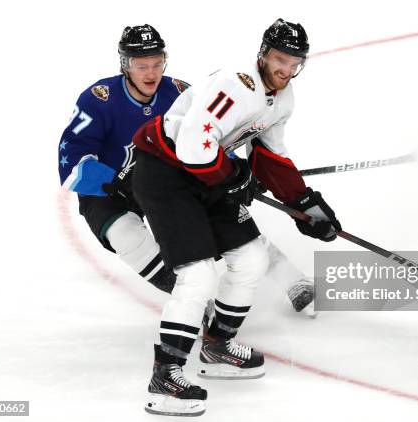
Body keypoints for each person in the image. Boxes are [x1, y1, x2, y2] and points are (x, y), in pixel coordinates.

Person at [132, 19, 341, 417]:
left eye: (295, 62)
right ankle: (165, 377)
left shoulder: (283, 98)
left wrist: (305, 203)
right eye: (280, 59)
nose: (286, 69)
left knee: (251, 259)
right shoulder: (238, 85)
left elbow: (269, 157)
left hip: (208, 174)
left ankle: (217, 346)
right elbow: (194, 145)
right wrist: (233, 178)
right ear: (263, 54)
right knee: (196, 275)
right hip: (165, 172)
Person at [57, 24, 188, 293]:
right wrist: (112, 180)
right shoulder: (99, 99)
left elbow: (212, 134)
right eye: (142, 66)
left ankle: (290, 279)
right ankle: (192, 302)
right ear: (125, 65)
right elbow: (70, 156)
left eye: (157, 63)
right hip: (109, 193)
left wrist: (230, 165)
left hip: (164, 185)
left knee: (223, 221)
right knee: (127, 238)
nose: (151, 73)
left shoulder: (179, 93)